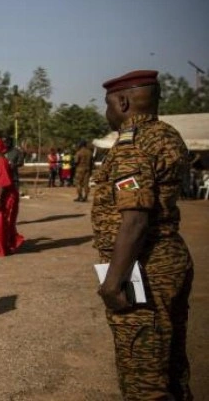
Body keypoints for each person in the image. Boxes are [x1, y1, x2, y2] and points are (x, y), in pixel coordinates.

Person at [93, 70, 193, 400]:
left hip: (143, 266)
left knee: (143, 376)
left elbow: (135, 219)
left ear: (122, 102)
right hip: (169, 258)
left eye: (107, 105)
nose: (106, 112)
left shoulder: (131, 145)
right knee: (170, 364)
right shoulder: (166, 134)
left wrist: (113, 281)